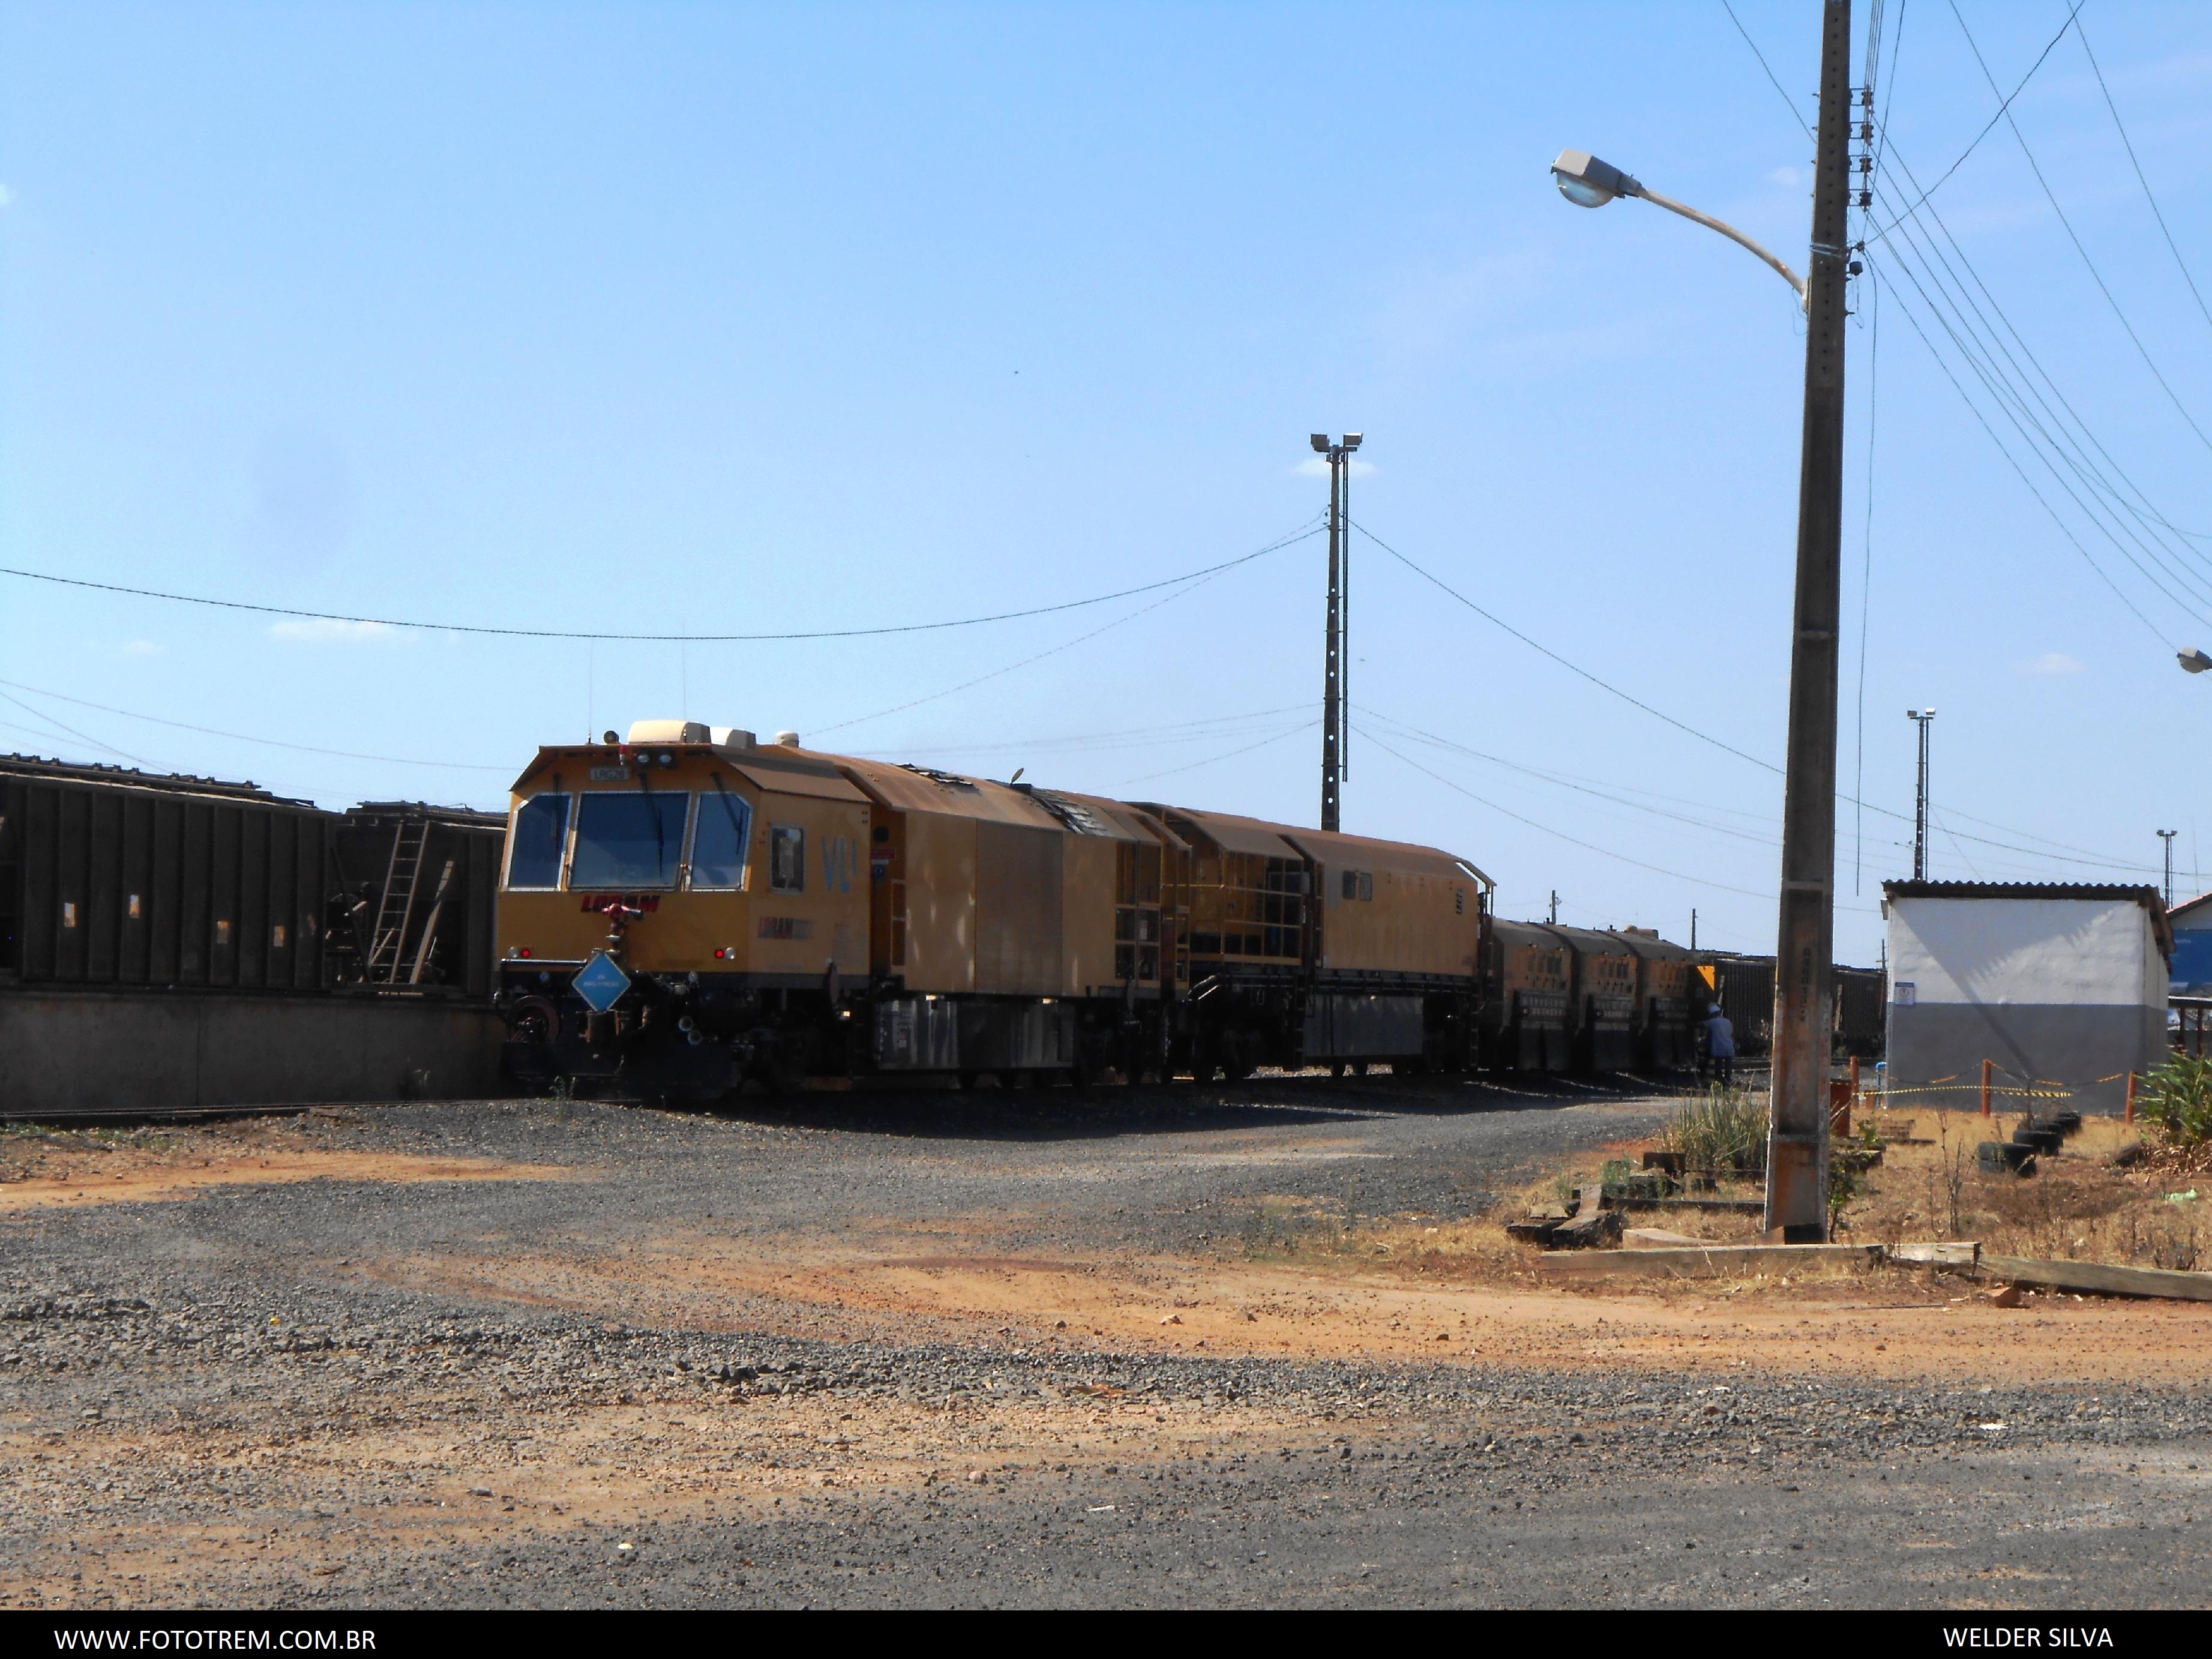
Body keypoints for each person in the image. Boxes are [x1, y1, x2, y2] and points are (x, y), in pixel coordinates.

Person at [1703, 1003, 1736, 1087]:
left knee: (1719, 1067)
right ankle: (1728, 1080)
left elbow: (1702, 1024)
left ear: (1713, 1014)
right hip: (1729, 1047)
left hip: (1719, 1048)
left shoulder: (1714, 1022)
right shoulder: (1728, 1022)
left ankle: (1721, 1081)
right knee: (1728, 1066)